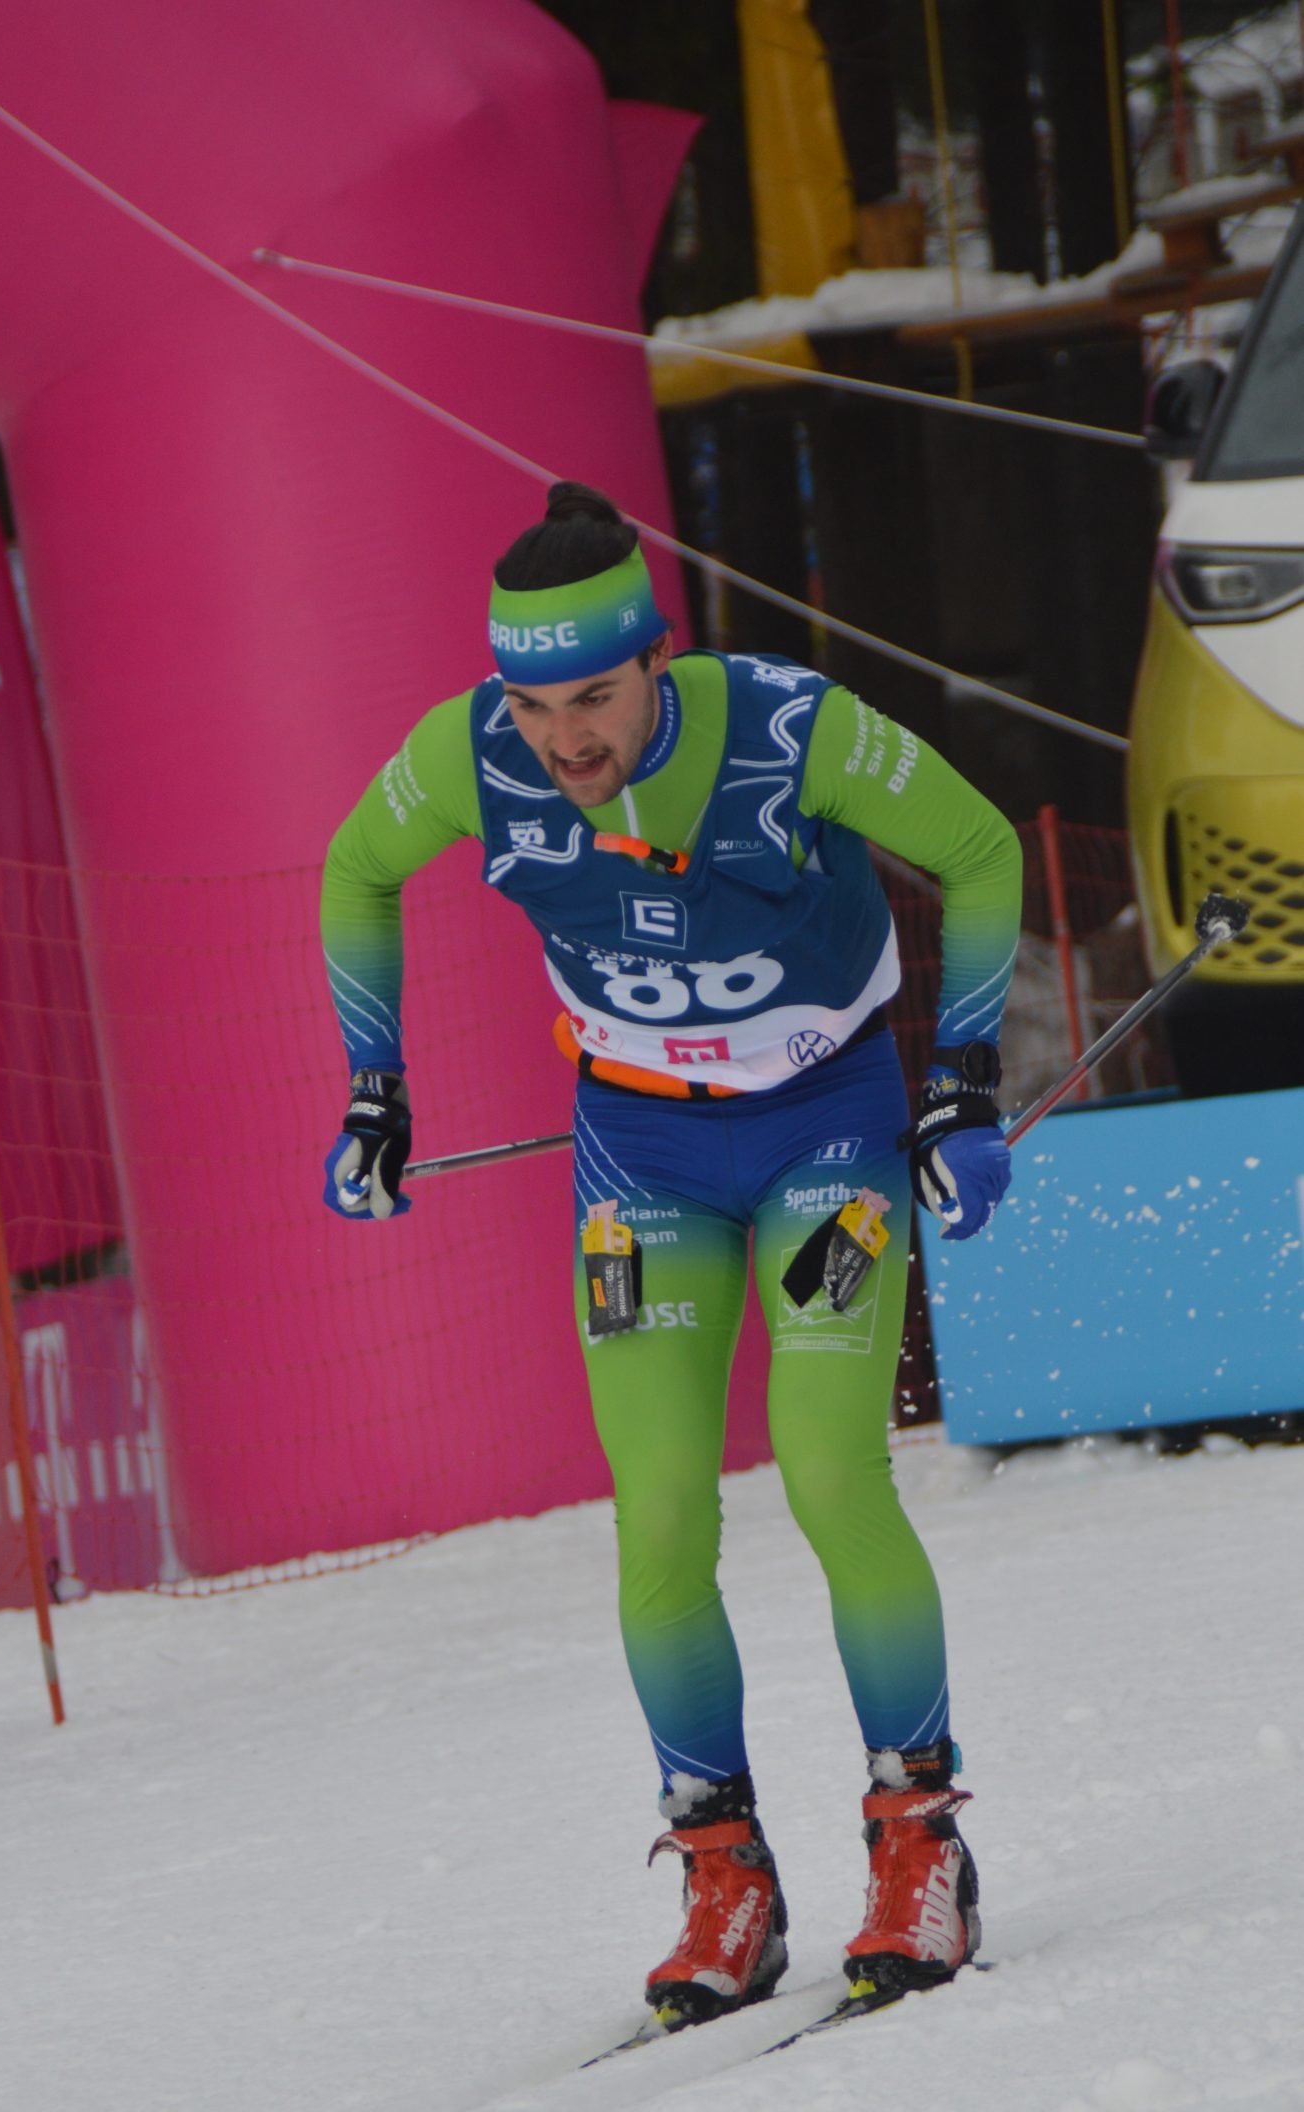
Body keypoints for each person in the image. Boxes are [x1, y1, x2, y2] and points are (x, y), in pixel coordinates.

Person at [319, 482, 1021, 2033]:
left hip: (825, 1131)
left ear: (658, 659)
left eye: (594, 696)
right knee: (653, 1513)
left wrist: (960, 1081)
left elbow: (975, 852)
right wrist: (377, 1088)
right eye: (533, 702)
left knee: (830, 1468)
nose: (564, 738)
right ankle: (726, 1874)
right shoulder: (472, 759)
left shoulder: (787, 729)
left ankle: (920, 1845)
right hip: (638, 1157)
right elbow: (351, 873)